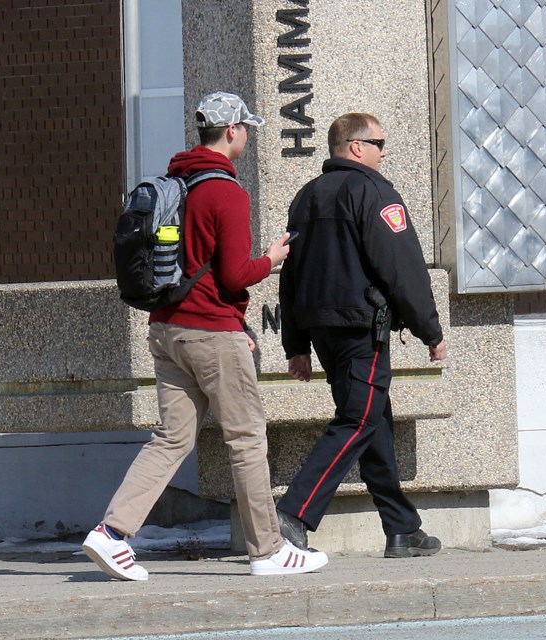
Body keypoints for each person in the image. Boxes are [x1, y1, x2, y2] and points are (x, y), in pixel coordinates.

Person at [82, 91, 329, 580]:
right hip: (211, 332)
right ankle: (269, 550)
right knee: (246, 437)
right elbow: (236, 275)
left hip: (167, 328)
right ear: (233, 131)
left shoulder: (180, 179)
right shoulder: (226, 192)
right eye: (246, 131)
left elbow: (196, 267)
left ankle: (110, 534)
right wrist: (273, 259)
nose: (247, 139)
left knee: (171, 438)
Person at [276, 112, 449, 559]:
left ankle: (402, 528)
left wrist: (296, 345)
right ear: (356, 147)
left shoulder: (306, 197)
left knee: (374, 423)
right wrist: (431, 331)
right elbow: (403, 269)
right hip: (359, 332)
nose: (384, 150)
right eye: (379, 142)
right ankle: (293, 514)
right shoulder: (374, 192)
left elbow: (288, 276)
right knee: (357, 421)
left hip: (322, 333)